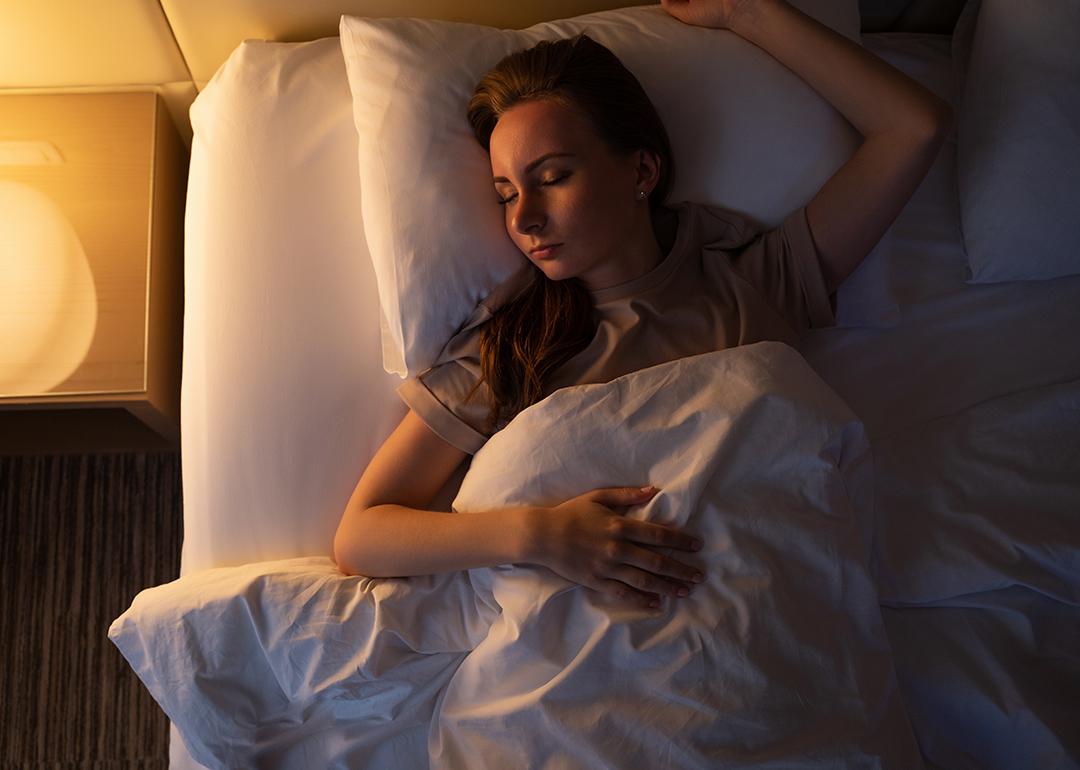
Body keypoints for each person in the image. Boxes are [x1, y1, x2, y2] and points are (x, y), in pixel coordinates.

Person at [334, 0, 952, 611]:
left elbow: (914, 126)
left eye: (552, 178)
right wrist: (541, 535)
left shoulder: (757, 284)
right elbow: (361, 535)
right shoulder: (513, 348)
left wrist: (744, 13)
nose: (523, 217)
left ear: (643, 170)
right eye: (505, 193)